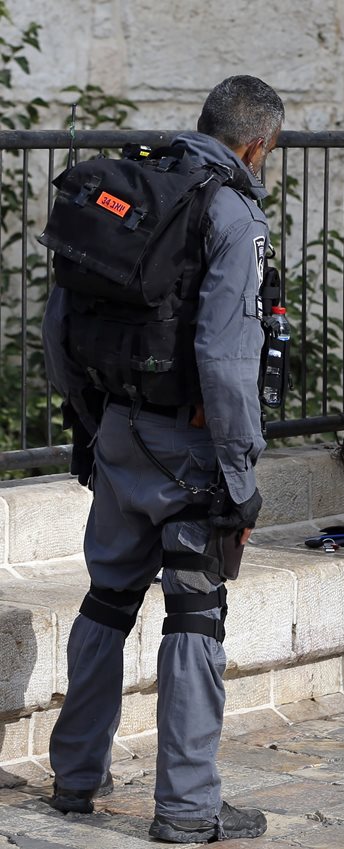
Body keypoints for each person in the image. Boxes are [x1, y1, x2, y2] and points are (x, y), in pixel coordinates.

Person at [41, 76, 283, 842]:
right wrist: (240, 474)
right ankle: (186, 809)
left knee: (107, 598)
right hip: (191, 447)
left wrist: (93, 423)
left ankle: (75, 776)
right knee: (195, 613)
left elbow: (57, 326)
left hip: (116, 428)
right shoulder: (231, 213)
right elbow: (226, 355)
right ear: (257, 145)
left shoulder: (127, 186)